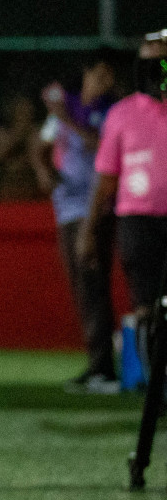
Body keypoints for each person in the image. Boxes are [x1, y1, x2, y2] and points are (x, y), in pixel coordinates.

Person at [80, 32, 167, 382]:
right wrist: (87, 231)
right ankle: (157, 388)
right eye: (147, 63)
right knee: (146, 308)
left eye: (161, 62)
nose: (155, 71)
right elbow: (105, 178)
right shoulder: (122, 114)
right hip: (137, 221)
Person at [34, 55, 119, 392]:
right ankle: (97, 364)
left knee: (93, 285)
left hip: (95, 208)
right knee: (81, 287)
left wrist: (62, 116)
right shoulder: (66, 108)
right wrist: (46, 174)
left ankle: (104, 369)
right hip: (67, 207)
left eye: (110, 76)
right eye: (101, 74)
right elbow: (39, 147)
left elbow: (99, 148)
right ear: (86, 73)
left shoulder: (109, 112)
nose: (105, 82)